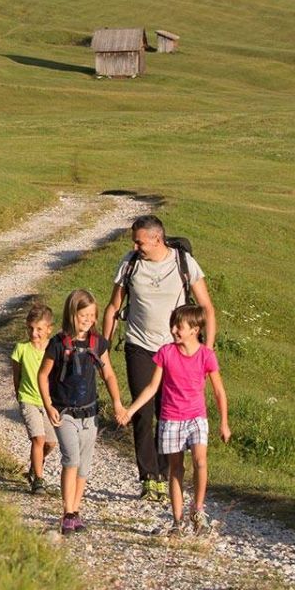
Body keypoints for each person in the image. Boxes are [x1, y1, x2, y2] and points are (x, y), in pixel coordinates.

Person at [102, 214, 217, 503]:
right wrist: (102, 346)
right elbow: (114, 306)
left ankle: (166, 475)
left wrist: (207, 350)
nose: (135, 245)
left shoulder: (183, 263)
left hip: (176, 351)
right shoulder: (130, 264)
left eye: (139, 241)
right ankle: (148, 477)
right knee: (143, 413)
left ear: (157, 239)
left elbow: (206, 307)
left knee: (170, 414)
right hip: (139, 346)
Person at [119, 304, 229, 536]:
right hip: (170, 419)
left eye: (179, 326)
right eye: (173, 325)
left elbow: (219, 391)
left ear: (195, 329)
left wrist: (224, 422)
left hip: (196, 417)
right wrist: (131, 410)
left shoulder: (206, 356)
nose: (174, 330)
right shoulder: (166, 353)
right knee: (175, 469)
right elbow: (151, 388)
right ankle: (178, 521)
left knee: (200, 461)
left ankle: (198, 510)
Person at [38, 289, 125, 535]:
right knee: (71, 460)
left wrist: (117, 403)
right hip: (64, 412)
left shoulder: (97, 343)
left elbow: (107, 373)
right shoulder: (58, 344)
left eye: (91, 315)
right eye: (82, 315)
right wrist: (48, 405)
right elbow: (43, 376)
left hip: (90, 414)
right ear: (71, 314)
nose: (87, 320)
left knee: (84, 466)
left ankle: (76, 511)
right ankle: (67, 512)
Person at [11, 303, 57, 494]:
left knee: (51, 443)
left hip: (48, 402)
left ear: (49, 329)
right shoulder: (21, 349)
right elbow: (16, 375)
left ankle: (34, 465)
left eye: (39, 329)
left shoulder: (53, 350)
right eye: (30, 328)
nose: (34, 333)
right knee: (38, 439)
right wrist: (20, 396)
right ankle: (38, 479)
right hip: (28, 399)